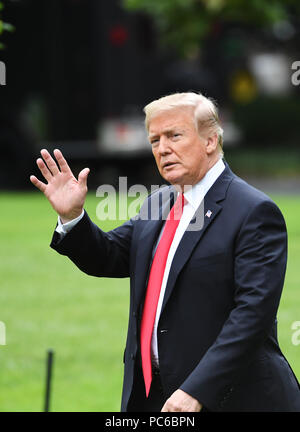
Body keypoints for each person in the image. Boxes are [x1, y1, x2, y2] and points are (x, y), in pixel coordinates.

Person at [30, 92, 300, 412]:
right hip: (155, 394)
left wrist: (198, 390)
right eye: (155, 139)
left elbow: (252, 316)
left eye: (174, 135)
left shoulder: (253, 211)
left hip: (230, 397)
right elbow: (110, 255)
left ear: (210, 140)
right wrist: (73, 218)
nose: (163, 149)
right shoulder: (157, 203)